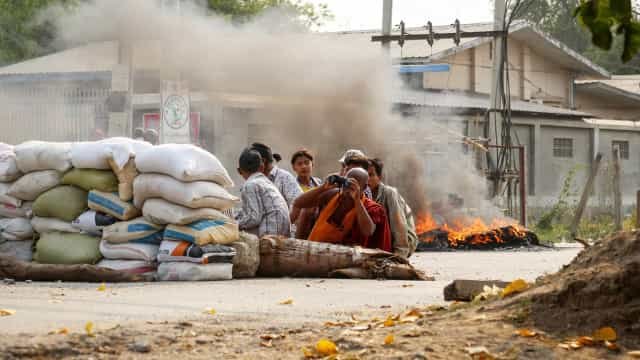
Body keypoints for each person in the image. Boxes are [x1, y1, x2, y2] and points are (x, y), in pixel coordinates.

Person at [294, 168, 392, 252]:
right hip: (314, 249)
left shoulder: (371, 208)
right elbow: (298, 203)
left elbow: (368, 231)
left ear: (365, 187)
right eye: (347, 182)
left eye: (354, 184)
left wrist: (357, 201)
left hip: (340, 257)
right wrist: (323, 187)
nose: (348, 186)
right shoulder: (333, 195)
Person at [235, 148, 291, 237]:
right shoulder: (267, 182)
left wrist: (233, 225)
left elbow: (254, 218)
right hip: (284, 233)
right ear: (262, 167)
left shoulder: (250, 185)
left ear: (239, 171)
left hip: (269, 236)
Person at [368, 158, 417, 258]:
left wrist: (399, 256)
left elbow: (399, 227)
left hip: (403, 240)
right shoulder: (362, 193)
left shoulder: (389, 193)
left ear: (379, 177)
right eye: (365, 175)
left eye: (371, 175)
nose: (367, 179)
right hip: (382, 239)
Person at [250, 143, 302, 210]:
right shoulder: (256, 179)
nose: (250, 166)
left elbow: (298, 204)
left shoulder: (284, 177)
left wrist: (287, 220)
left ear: (262, 161)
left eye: (252, 162)